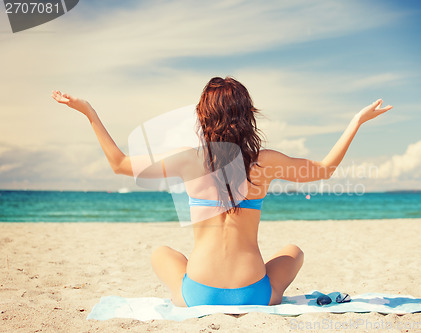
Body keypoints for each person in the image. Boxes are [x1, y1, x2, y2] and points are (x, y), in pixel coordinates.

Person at [52, 77, 392, 307]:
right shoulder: (266, 162)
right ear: (247, 116)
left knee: (161, 253)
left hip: (197, 293)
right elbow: (325, 170)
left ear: (203, 115)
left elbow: (119, 164)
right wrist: (356, 122)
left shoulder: (189, 160)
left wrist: (90, 113)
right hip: (255, 293)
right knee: (294, 251)